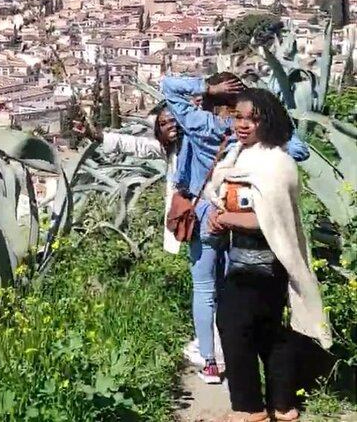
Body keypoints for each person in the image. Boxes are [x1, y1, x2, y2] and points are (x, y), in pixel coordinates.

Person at [160, 73, 310, 384]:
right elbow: (300, 151)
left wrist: (206, 87)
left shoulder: (200, 124)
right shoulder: (251, 132)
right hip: (240, 217)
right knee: (235, 288)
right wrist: (269, 118)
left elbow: (168, 87)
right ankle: (241, 353)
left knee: (204, 288)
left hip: (204, 215)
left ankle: (210, 363)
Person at [204, 88, 331, 422]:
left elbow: (269, 218)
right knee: (268, 333)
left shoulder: (275, 163)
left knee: (236, 329)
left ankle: (251, 407)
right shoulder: (239, 158)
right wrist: (221, 218)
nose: (243, 125)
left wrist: (227, 218)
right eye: (239, 117)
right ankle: (282, 405)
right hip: (242, 263)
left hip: (266, 265)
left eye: (252, 119)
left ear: (268, 121)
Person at [76, 107, 183, 254]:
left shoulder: (197, 145)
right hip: (183, 217)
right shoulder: (169, 150)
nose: (169, 126)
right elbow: (136, 145)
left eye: (172, 120)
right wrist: (97, 135)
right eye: (163, 124)